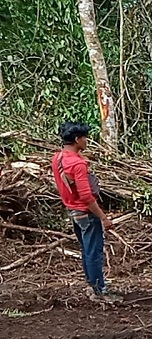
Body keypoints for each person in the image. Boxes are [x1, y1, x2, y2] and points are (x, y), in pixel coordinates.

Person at [51, 121, 118, 302]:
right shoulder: (77, 164)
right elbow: (87, 196)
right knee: (94, 251)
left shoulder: (57, 158)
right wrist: (103, 217)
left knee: (86, 249)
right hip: (86, 213)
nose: (87, 141)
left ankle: (93, 285)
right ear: (76, 139)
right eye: (84, 138)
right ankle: (99, 291)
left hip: (72, 211)